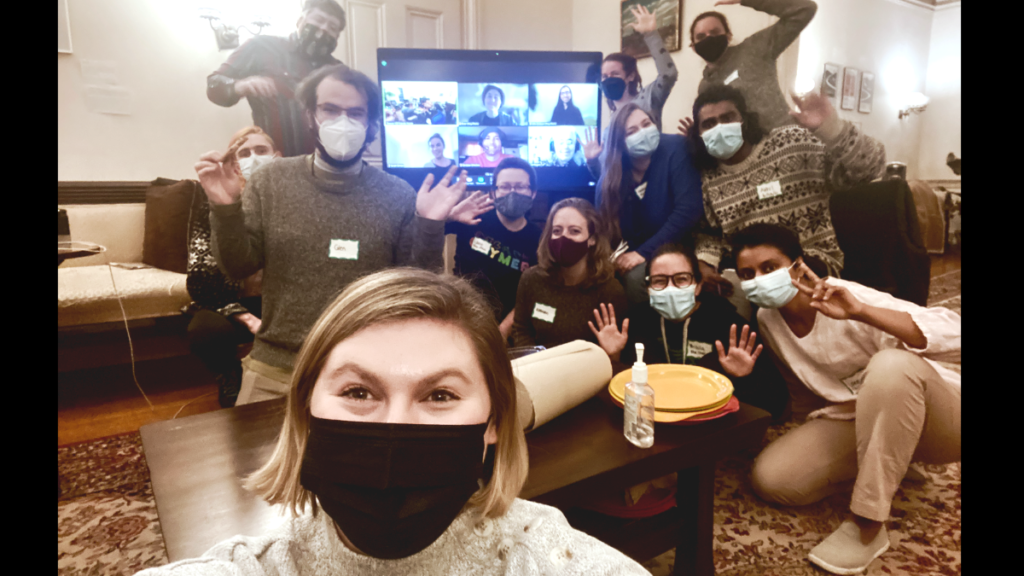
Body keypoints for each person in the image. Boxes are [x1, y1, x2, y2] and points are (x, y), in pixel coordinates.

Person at [135, 268, 650, 575]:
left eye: (440, 394)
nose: (396, 426)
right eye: (358, 392)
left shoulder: (550, 557)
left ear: (493, 423)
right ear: (306, 410)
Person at [195, 64, 477, 406]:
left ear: (372, 125)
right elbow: (237, 266)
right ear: (311, 116)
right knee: (259, 460)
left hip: (364, 373)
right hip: (277, 367)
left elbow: (417, 286)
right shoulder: (270, 182)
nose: (343, 122)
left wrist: (431, 224)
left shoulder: (398, 194)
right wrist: (225, 208)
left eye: (355, 113)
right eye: (330, 109)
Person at [730, 224, 960, 575]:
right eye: (748, 274)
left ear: (797, 266)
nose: (759, 279)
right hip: (859, 412)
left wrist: (860, 312)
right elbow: (805, 394)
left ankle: (868, 525)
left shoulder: (844, 295)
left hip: (940, 412)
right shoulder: (768, 319)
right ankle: (890, 459)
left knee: (889, 367)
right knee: (772, 479)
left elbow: (953, 329)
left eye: (769, 267)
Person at [689, 86, 885, 288]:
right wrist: (704, 262)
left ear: (744, 120)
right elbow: (709, 233)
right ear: (699, 133)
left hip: (812, 267)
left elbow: (872, 168)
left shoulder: (792, 143)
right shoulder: (708, 177)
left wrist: (832, 129)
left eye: (728, 118)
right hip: (752, 278)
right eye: (709, 124)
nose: (719, 128)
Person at [590, 243, 788, 420]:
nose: (671, 288)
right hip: (651, 421)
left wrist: (745, 377)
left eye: (681, 279)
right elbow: (616, 395)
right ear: (648, 287)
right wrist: (612, 356)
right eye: (659, 281)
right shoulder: (633, 323)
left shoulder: (731, 327)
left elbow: (776, 405)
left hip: (709, 427)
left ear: (698, 285)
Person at [187, 126, 280, 407]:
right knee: (205, 330)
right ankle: (230, 376)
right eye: (244, 153)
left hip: (283, 302)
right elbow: (200, 280)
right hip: (229, 304)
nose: (253, 157)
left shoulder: (293, 202)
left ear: (277, 156)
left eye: (261, 151)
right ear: (233, 162)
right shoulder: (212, 202)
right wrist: (247, 318)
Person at [594, 103, 703, 305]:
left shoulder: (676, 148)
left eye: (646, 124)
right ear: (620, 143)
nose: (642, 133)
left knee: (636, 280)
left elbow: (688, 211)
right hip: (630, 251)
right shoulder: (613, 175)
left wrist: (641, 254)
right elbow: (604, 225)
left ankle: (647, 336)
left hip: (676, 247)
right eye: (632, 131)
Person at [207, 0, 346, 157]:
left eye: (332, 27)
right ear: (300, 20)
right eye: (319, 20)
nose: (323, 29)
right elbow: (214, 84)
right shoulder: (261, 47)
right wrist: (240, 86)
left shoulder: (337, 70)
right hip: (272, 164)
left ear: (337, 36)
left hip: (323, 168)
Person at [679, 0, 817, 137]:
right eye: (701, 36)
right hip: (745, 157)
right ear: (693, 47)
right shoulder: (704, 87)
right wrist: (697, 133)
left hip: (786, 141)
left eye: (715, 32)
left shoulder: (754, 48)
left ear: (728, 36)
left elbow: (804, 9)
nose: (708, 39)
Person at [512, 198, 627, 350]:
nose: (564, 237)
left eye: (574, 231)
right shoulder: (531, 279)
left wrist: (612, 353)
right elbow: (521, 330)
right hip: (539, 369)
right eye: (557, 231)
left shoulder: (611, 290)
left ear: (591, 239)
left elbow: (615, 350)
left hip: (591, 371)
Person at [447, 158, 542, 341]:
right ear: (493, 192)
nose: (512, 193)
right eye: (505, 187)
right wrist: (450, 217)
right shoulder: (472, 218)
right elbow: (424, 232)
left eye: (521, 187)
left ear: (533, 193)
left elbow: (533, 293)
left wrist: (502, 331)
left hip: (510, 325)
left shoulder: (538, 238)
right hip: (462, 314)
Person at [585, 4, 678, 178]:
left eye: (615, 74)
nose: (609, 79)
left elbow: (669, 74)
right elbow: (606, 177)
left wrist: (651, 34)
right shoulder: (609, 128)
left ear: (630, 76)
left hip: (658, 179)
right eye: (605, 76)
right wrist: (591, 160)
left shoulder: (649, 98)